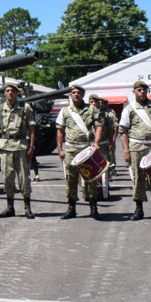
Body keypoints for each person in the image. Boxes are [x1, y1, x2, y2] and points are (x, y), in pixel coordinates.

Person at [119, 81, 151, 221]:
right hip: (136, 147)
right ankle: (139, 209)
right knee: (138, 178)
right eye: (139, 90)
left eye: (144, 90)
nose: (142, 92)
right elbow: (123, 131)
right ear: (134, 92)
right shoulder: (129, 109)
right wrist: (126, 150)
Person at [55, 85, 104, 219]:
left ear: (83, 95)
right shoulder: (65, 111)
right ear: (70, 95)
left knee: (90, 178)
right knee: (71, 179)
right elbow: (60, 131)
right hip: (71, 149)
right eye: (73, 92)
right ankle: (71, 208)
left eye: (79, 92)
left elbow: (99, 126)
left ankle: (93, 209)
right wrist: (60, 149)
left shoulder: (92, 109)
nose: (76, 94)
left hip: (86, 149)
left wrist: (96, 142)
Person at [0, 83, 36, 218]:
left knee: (24, 177)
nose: (10, 93)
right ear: (5, 93)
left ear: (17, 93)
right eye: (8, 90)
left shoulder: (25, 107)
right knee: (7, 177)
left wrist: (32, 147)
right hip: (5, 146)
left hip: (21, 145)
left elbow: (32, 129)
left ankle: (27, 208)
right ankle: (10, 208)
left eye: (13, 90)